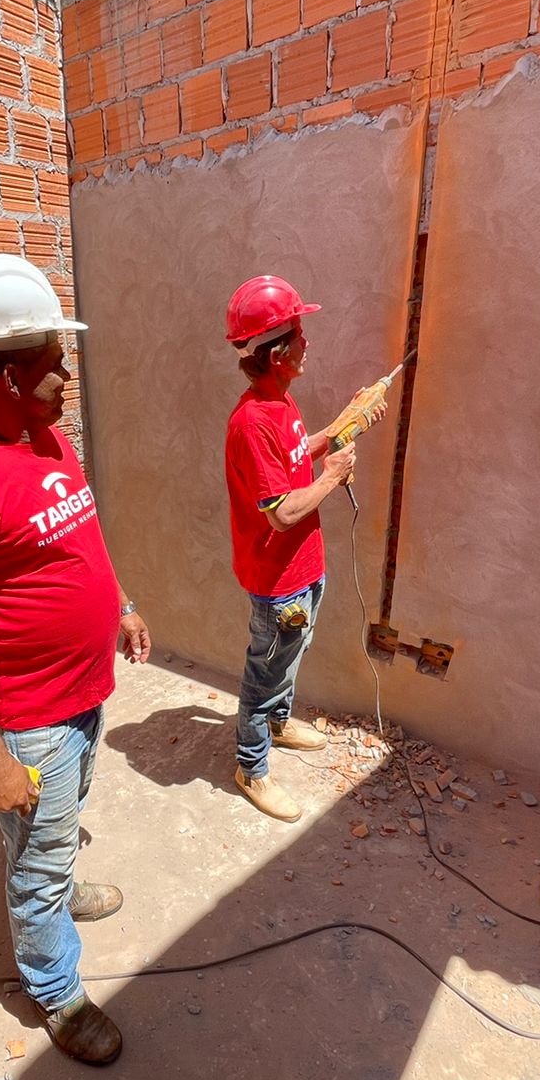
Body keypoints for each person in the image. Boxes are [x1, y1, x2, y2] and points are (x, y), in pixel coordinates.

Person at [0, 253, 150, 1066]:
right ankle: (58, 994)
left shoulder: (45, 440)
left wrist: (118, 605)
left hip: (82, 696)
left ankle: (57, 890)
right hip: (33, 719)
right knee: (35, 856)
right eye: (52, 364)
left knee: (58, 828)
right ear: (4, 375)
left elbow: (76, 537)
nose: (65, 376)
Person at [223, 275, 385, 822]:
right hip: (278, 580)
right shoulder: (251, 422)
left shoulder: (280, 403)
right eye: (298, 332)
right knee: (264, 672)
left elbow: (296, 457)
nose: (307, 342)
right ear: (275, 353)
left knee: (288, 658)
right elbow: (284, 511)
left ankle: (277, 722)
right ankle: (251, 766)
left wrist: (341, 428)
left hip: (305, 569)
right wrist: (335, 476)